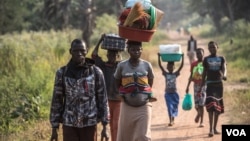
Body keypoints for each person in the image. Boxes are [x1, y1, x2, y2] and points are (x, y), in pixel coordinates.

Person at [49, 39, 109, 141]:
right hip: (69, 123)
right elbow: (57, 100)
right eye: (76, 51)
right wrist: (54, 127)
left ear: (87, 51)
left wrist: (105, 126)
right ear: (70, 51)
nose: (79, 53)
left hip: (89, 123)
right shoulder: (62, 73)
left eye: (82, 50)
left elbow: (103, 99)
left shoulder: (96, 72)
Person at [114, 40, 156, 141]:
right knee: (126, 136)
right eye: (133, 49)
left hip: (144, 106)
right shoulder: (122, 66)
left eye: (138, 49)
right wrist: (123, 93)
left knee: (143, 136)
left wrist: (144, 93)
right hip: (127, 106)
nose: (136, 52)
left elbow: (150, 81)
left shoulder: (147, 65)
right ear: (128, 50)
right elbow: (117, 81)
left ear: (142, 50)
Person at [91, 34, 122, 141]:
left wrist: (120, 52)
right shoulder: (102, 66)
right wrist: (100, 40)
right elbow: (94, 55)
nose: (112, 57)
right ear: (107, 55)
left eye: (114, 55)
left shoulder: (120, 66)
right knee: (103, 123)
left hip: (118, 100)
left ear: (117, 56)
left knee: (115, 125)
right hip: (105, 101)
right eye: (110, 55)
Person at [199, 41, 227, 137]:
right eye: (210, 48)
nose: (212, 49)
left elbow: (224, 68)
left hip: (219, 86)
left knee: (217, 108)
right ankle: (210, 129)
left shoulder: (221, 58)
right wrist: (201, 86)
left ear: (217, 47)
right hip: (210, 86)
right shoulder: (206, 59)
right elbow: (204, 73)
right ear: (208, 49)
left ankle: (215, 128)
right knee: (211, 106)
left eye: (213, 47)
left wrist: (224, 75)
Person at [157, 53, 184, 126]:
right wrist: (159, 57)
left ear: (174, 67)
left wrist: (182, 57)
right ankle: (170, 121)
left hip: (174, 94)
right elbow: (160, 66)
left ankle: (173, 119)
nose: (170, 68)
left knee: (174, 107)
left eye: (172, 67)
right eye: (169, 67)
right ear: (167, 67)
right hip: (168, 94)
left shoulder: (175, 74)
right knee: (169, 107)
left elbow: (181, 66)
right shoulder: (166, 74)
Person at [185, 48, 206, 127]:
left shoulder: (205, 63)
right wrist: (187, 86)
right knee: (196, 105)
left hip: (203, 85)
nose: (199, 55)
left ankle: (202, 121)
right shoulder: (193, 64)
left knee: (201, 104)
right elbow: (191, 76)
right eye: (197, 54)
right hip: (196, 86)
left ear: (203, 54)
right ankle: (199, 113)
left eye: (200, 53)